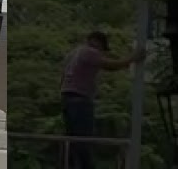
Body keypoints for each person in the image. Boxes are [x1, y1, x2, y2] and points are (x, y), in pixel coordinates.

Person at [61, 31, 144, 169]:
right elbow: (111, 65)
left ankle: (72, 165)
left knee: (73, 141)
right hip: (80, 99)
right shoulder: (90, 52)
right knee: (83, 141)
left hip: (68, 98)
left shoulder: (74, 53)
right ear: (97, 42)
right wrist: (133, 58)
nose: (101, 52)